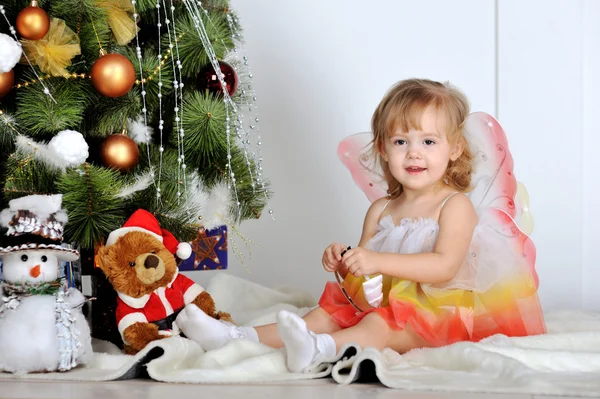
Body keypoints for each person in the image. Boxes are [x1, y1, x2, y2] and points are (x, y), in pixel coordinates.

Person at [175, 78, 546, 373]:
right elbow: (361, 272)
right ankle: (236, 336)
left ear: (454, 149)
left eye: (428, 141)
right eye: (401, 141)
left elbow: (443, 266)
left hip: (434, 314)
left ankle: (321, 350)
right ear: (384, 149)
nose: (414, 152)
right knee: (326, 312)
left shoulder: (455, 206)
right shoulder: (382, 209)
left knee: (380, 325)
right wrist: (344, 261)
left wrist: (376, 261)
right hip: (381, 300)